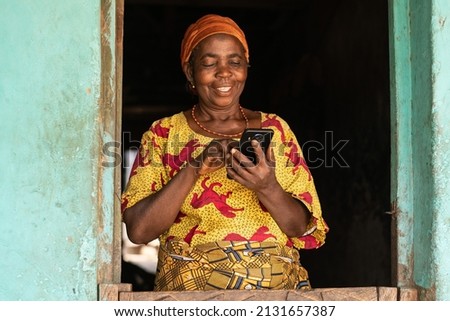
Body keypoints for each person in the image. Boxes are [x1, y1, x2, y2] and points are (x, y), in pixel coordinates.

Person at [121, 13, 328, 291]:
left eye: (235, 62)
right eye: (209, 63)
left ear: (246, 68)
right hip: (191, 297)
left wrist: (267, 186)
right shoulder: (163, 134)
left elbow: (301, 229)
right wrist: (194, 167)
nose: (224, 72)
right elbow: (139, 231)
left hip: (275, 295)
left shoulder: (275, 129)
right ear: (189, 71)